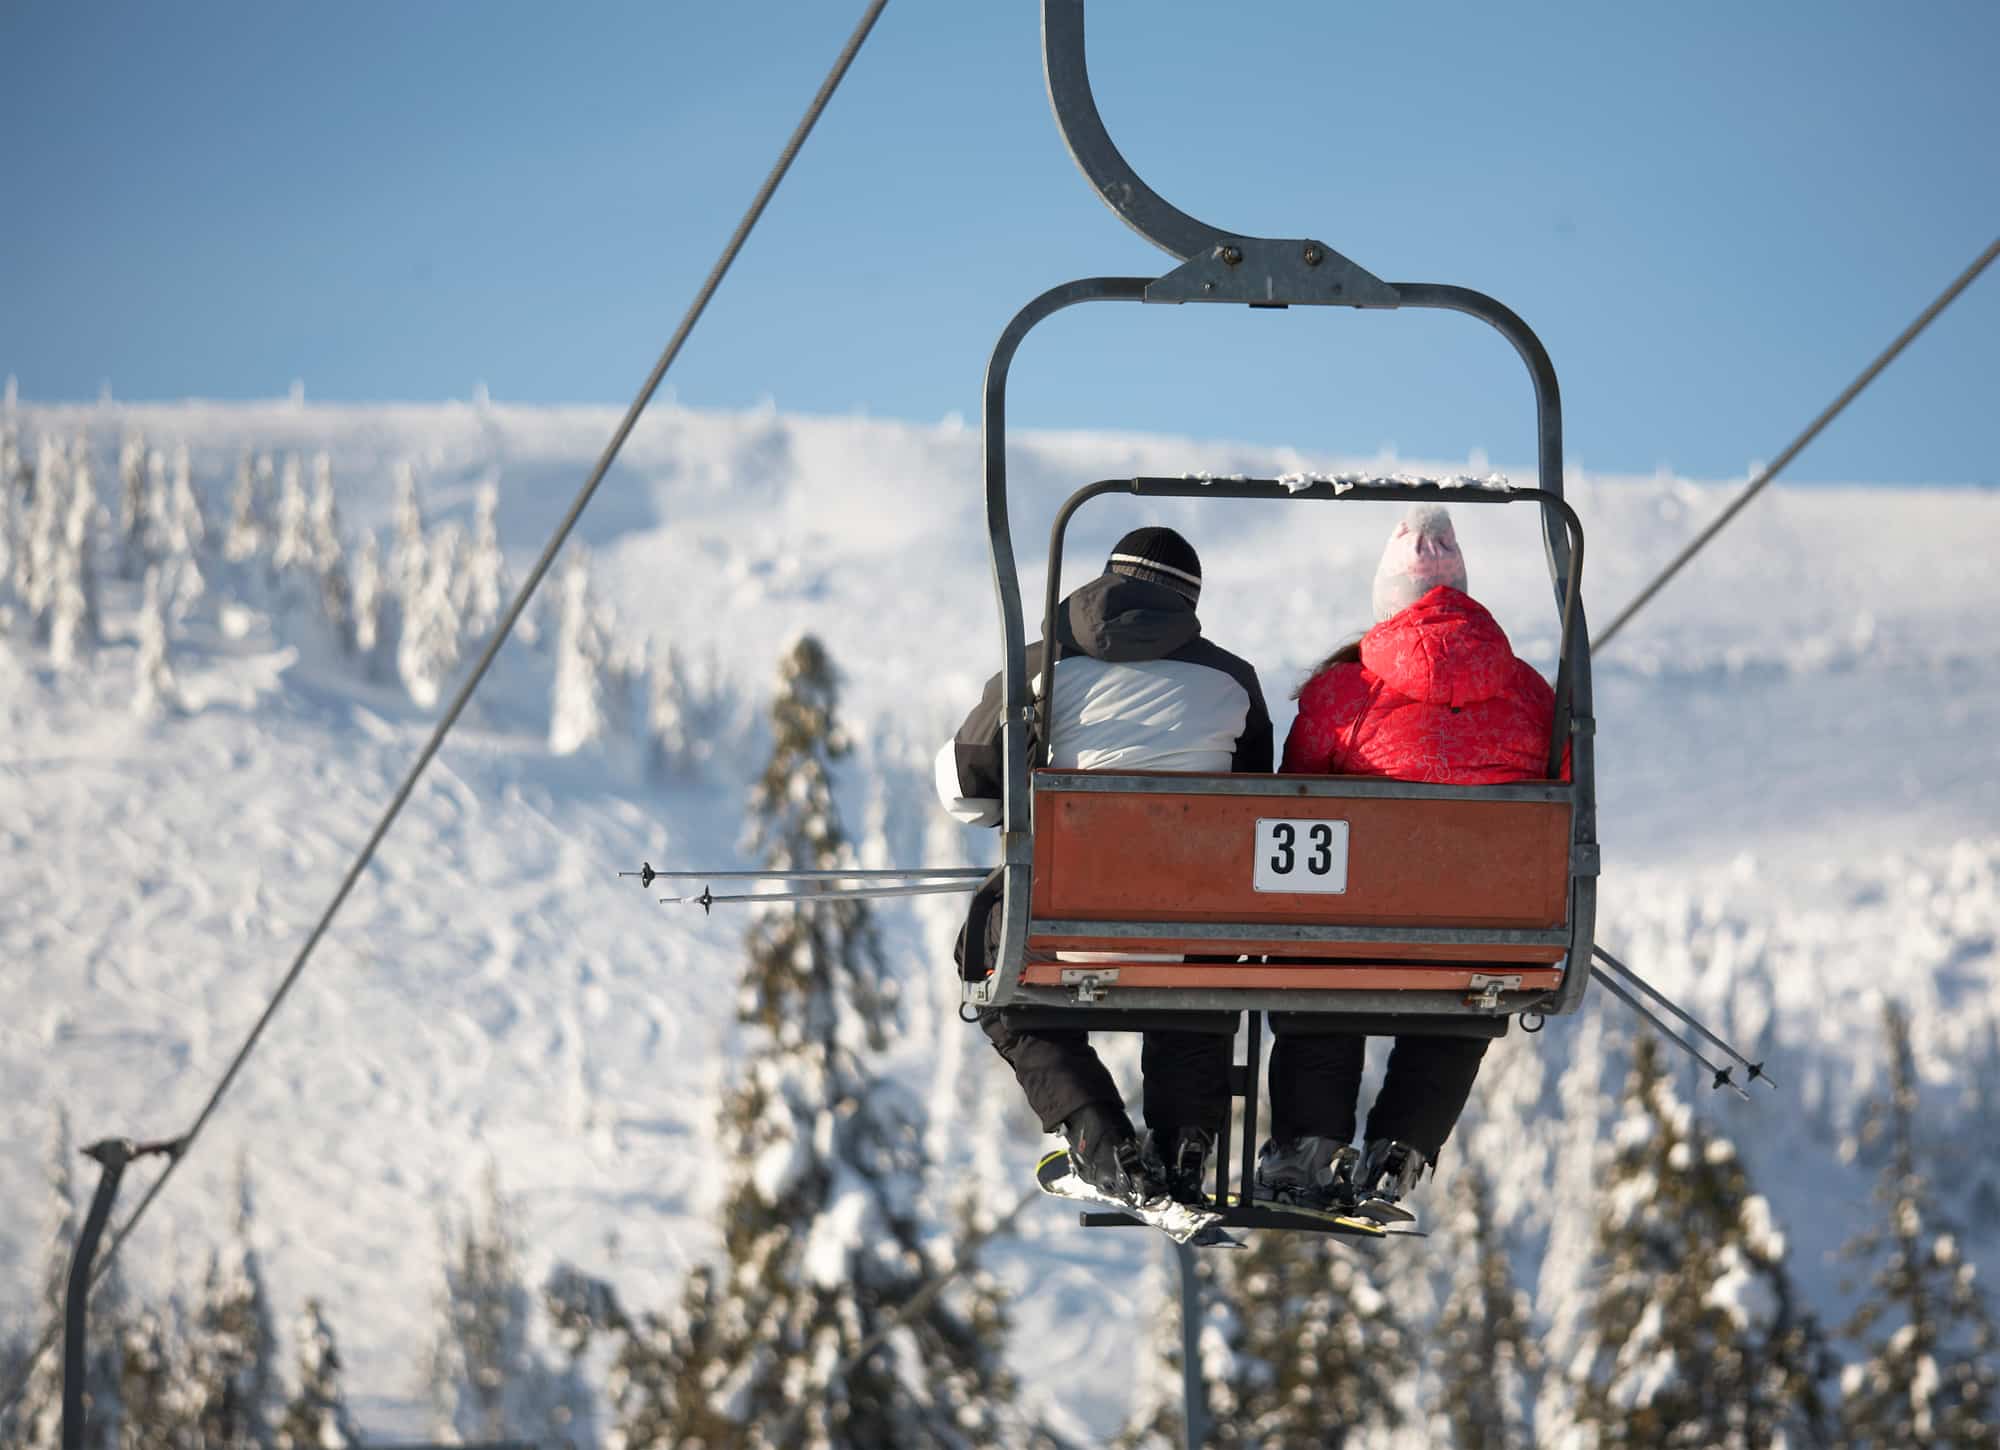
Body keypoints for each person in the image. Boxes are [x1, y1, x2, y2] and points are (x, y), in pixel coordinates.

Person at [937, 526, 1272, 1209]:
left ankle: (1095, 1134)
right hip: (1187, 933)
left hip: (1060, 923)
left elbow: (967, 785)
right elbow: (1252, 796)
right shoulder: (1231, 682)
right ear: (1189, 603)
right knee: (1203, 973)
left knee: (994, 971)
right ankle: (1185, 1139)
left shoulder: (1037, 668)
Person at [1256, 503, 1564, 1219]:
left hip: (1356, 927)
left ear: (1386, 604)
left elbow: (1297, 797)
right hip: (1487, 933)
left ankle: (1309, 1144)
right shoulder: (1532, 694)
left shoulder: (1344, 694)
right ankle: (1399, 1150)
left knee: (1320, 969)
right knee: (1467, 989)